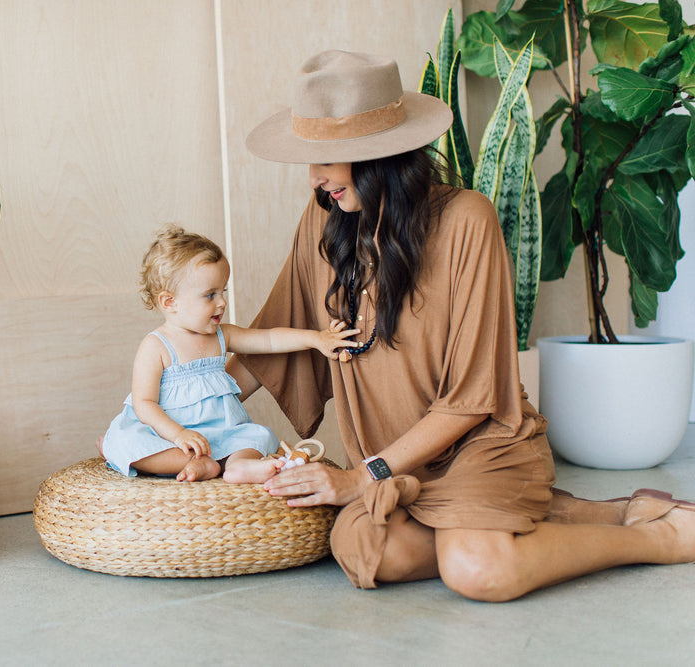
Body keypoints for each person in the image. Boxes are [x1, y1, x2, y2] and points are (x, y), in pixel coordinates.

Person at [227, 50, 695, 602]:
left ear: (378, 155)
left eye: (326, 158)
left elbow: (473, 400)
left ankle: (657, 539)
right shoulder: (326, 221)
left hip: (479, 448)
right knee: (370, 552)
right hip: (394, 464)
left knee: (476, 570)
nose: (314, 177)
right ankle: (569, 516)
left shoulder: (468, 219)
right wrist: (175, 419)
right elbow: (275, 338)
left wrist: (363, 477)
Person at [101, 224, 359, 483]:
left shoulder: (222, 336)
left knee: (257, 436)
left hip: (221, 435)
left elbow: (269, 339)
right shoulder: (156, 346)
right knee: (123, 440)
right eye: (209, 295)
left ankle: (239, 465)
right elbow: (144, 404)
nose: (222, 302)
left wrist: (316, 339)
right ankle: (195, 463)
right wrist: (178, 434)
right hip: (169, 437)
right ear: (170, 302)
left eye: (222, 292)